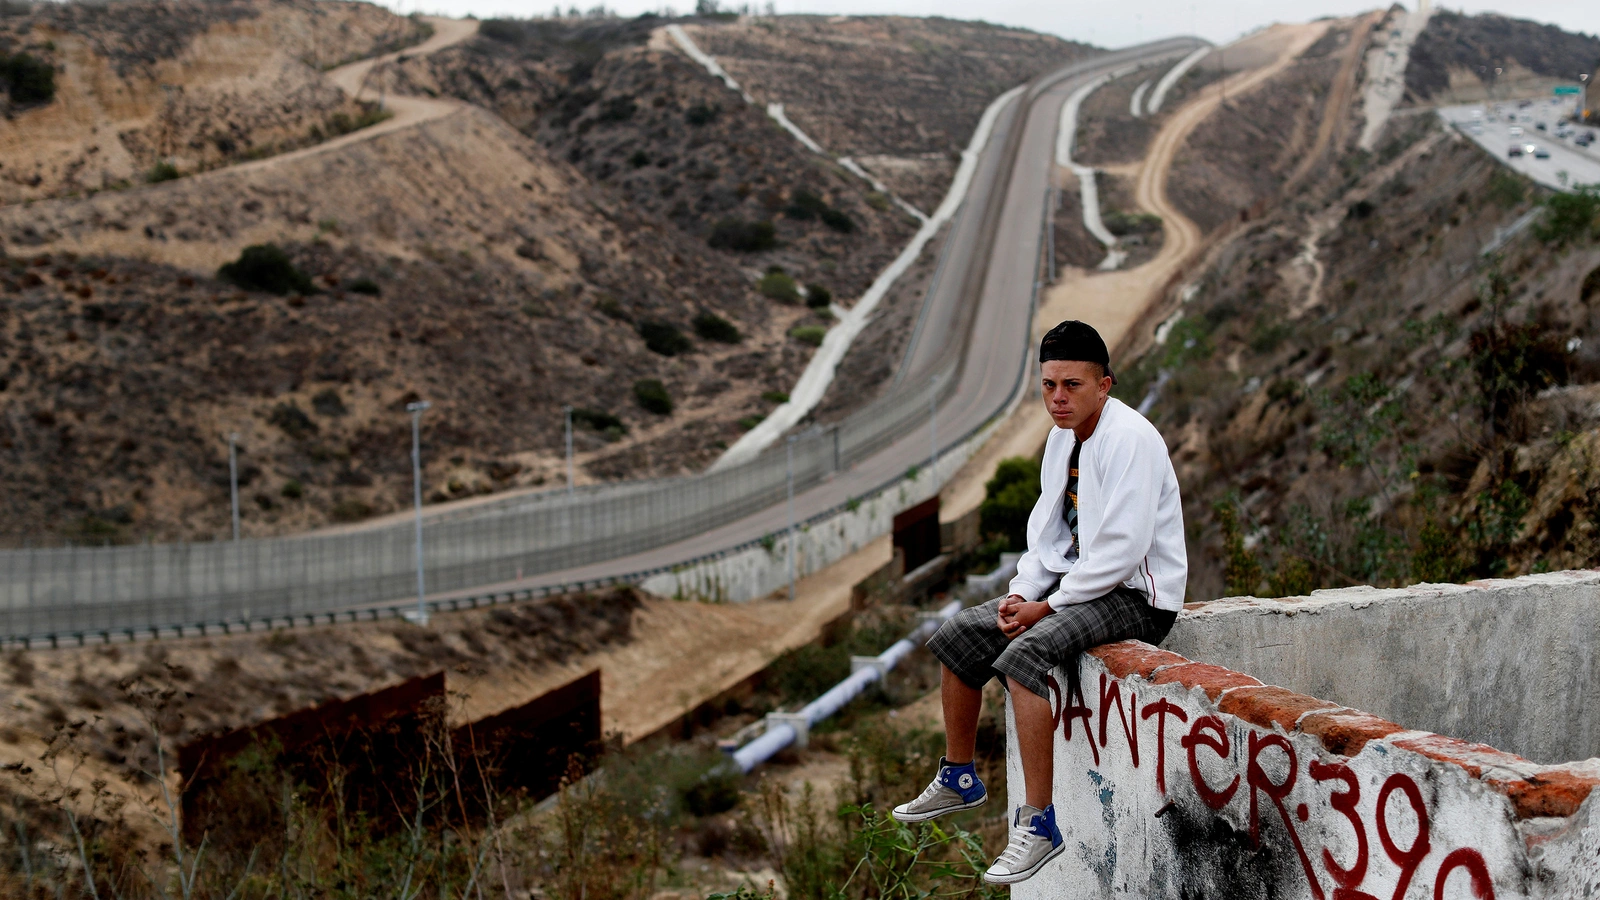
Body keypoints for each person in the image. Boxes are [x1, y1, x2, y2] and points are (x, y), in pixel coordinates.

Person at [891, 320, 1187, 885]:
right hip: (1080, 586)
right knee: (958, 637)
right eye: (1049, 384)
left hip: (1137, 597)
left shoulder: (1131, 439)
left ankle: (1040, 823)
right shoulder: (1062, 438)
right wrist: (1022, 593)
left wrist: (1046, 610)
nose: (1058, 397)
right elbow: (1048, 535)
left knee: (1023, 659)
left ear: (1105, 384)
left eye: (1072, 385)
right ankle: (959, 776)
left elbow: (1121, 553)